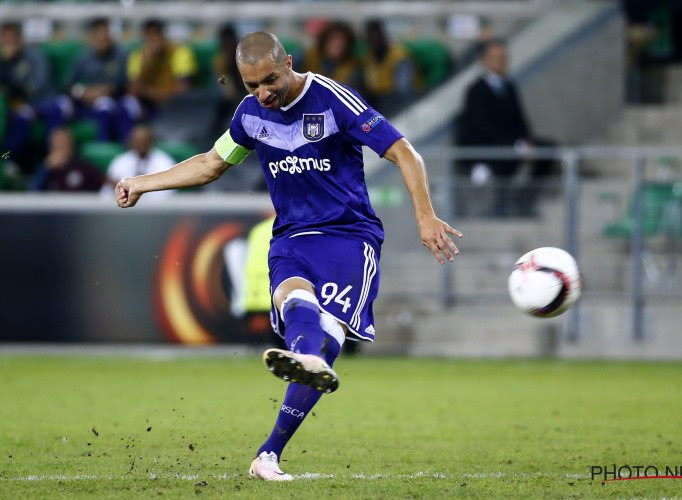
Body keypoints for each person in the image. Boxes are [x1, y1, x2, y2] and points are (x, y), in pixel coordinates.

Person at [114, 31, 461, 481]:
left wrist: (425, 215)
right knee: (292, 297)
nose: (263, 93)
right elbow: (211, 164)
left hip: (347, 237)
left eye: (270, 80)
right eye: (251, 85)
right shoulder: (250, 114)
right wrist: (142, 182)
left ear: (289, 62)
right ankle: (301, 365)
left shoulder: (332, 99)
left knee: (329, 331)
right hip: (292, 236)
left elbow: (402, 151)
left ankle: (271, 447)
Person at [455, 38, 555, 217]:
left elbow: (520, 120)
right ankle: (499, 207)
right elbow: (481, 127)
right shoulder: (476, 90)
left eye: (502, 57)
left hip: (513, 144)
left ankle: (524, 201)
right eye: (494, 57)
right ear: (484, 60)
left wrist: (526, 141)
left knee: (547, 150)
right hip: (488, 147)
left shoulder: (509, 86)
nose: (500, 61)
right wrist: (514, 144)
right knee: (507, 160)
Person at [0, 21, 66, 173]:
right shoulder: (3, 62)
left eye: (12, 38)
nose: (9, 42)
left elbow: (36, 86)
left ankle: (55, 163)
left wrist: (18, 94)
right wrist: (5, 63)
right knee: (20, 119)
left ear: (19, 39)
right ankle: (6, 159)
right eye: (5, 39)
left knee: (52, 112)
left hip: (45, 103)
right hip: (21, 108)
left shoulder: (35, 56)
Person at [66, 17, 131, 142]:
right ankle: (100, 146)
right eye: (99, 36)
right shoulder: (83, 58)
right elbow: (68, 85)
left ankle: (119, 146)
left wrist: (108, 90)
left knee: (110, 106)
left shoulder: (121, 55)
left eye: (105, 36)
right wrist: (83, 92)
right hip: (87, 105)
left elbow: (126, 83)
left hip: (116, 101)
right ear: (92, 37)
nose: (103, 39)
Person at [126, 19, 198, 120]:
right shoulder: (138, 55)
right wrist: (145, 65)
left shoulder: (180, 52)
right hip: (148, 106)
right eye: (149, 37)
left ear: (163, 36)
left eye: (156, 35)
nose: (153, 41)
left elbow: (183, 90)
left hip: (175, 107)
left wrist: (149, 92)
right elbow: (133, 91)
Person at [100, 124, 175, 197]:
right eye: (137, 140)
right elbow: (107, 191)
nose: (140, 144)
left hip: (156, 206)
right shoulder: (120, 161)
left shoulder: (164, 161)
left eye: (144, 140)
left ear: (151, 141)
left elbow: (168, 192)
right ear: (130, 141)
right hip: (124, 207)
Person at [361, 19, 415, 115]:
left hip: (399, 102)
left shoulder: (399, 56)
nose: (374, 40)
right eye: (370, 36)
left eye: (377, 35)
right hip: (377, 102)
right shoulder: (368, 58)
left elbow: (403, 89)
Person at [30, 127, 104, 192]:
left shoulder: (84, 166)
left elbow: (106, 185)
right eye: (58, 143)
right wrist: (46, 169)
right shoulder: (46, 170)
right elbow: (34, 193)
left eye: (64, 142)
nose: (61, 146)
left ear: (72, 144)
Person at [303, 21, 363, 90]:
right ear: (324, 42)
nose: (337, 45)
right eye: (333, 40)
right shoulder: (308, 61)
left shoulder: (354, 70)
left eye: (341, 42)